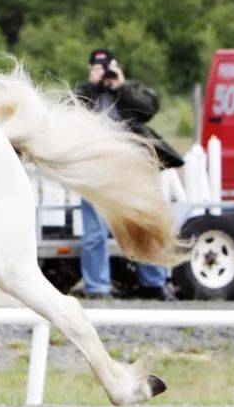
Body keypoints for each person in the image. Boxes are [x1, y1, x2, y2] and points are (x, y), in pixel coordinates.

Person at [75, 49, 183, 300]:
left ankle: (154, 283)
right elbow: (73, 110)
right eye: (98, 68)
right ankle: (97, 287)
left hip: (130, 169)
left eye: (108, 67)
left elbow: (148, 109)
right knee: (94, 233)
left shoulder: (129, 92)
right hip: (95, 170)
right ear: (90, 70)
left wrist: (120, 86)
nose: (104, 73)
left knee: (143, 222)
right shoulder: (84, 93)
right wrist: (95, 85)